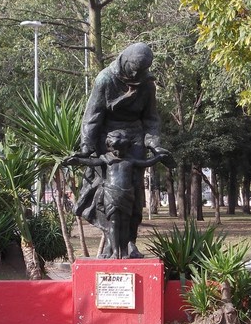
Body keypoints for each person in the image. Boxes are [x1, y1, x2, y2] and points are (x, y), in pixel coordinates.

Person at [71, 42, 172, 258]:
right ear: (123, 61)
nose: (136, 74)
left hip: (134, 140)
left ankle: (130, 243)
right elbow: (93, 117)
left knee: (133, 193)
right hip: (106, 139)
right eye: (133, 69)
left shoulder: (147, 85)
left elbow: (151, 119)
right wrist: (87, 147)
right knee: (103, 192)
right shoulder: (105, 79)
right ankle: (111, 242)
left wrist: (154, 144)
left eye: (140, 71)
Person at [65, 130, 169, 259]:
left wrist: (158, 158)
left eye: (122, 149)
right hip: (110, 193)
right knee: (113, 222)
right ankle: (115, 251)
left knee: (125, 222)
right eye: (116, 149)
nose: (119, 153)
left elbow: (146, 163)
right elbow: (91, 162)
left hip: (127, 194)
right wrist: (77, 159)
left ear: (127, 147)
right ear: (110, 147)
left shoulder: (131, 160)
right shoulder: (106, 158)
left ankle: (124, 251)